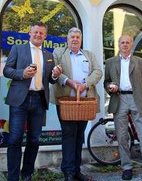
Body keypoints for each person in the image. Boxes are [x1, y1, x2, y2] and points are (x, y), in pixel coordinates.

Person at [3, 22, 62, 181]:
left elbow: (51, 80)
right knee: (15, 139)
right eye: (35, 32)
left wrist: (55, 75)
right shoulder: (18, 49)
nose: (38, 35)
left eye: (41, 33)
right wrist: (23, 73)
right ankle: (13, 177)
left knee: (34, 139)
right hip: (20, 100)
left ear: (45, 36)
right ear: (29, 33)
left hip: (39, 99)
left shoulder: (48, 55)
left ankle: (27, 174)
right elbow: (7, 70)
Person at [104, 35, 142, 181]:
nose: (124, 45)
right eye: (122, 42)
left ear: (131, 44)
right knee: (122, 136)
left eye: (127, 42)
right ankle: (127, 167)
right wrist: (110, 87)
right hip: (119, 99)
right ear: (118, 44)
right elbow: (106, 82)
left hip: (137, 99)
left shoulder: (140, 61)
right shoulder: (110, 62)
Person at [51, 27, 102, 181]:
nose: (74, 39)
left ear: (80, 40)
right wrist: (70, 82)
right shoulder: (58, 53)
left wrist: (85, 84)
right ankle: (68, 172)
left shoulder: (89, 55)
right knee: (69, 135)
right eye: (72, 37)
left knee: (79, 137)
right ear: (67, 39)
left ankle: (77, 171)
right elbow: (55, 72)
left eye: (77, 37)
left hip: (85, 103)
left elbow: (98, 72)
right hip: (66, 102)